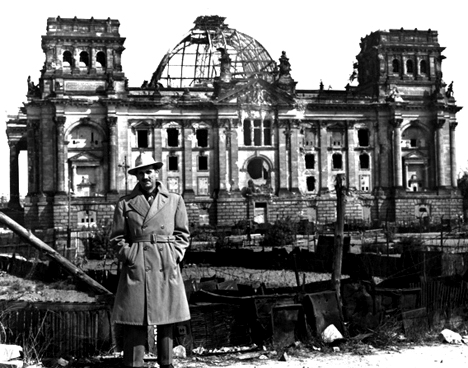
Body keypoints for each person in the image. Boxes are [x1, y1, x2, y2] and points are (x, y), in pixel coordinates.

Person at [110, 152, 191, 368]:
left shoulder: (174, 200)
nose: (145, 177)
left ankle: (166, 363)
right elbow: (117, 238)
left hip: (165, 262)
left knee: (166, 316)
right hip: (137, 263)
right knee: (135, 317)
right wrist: (130, 256)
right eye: (140, 173)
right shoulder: (125, 204)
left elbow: (183, 235)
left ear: (156, 172)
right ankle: (134, 364)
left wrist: (174, 255)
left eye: (148, 171)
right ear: (136, 176)